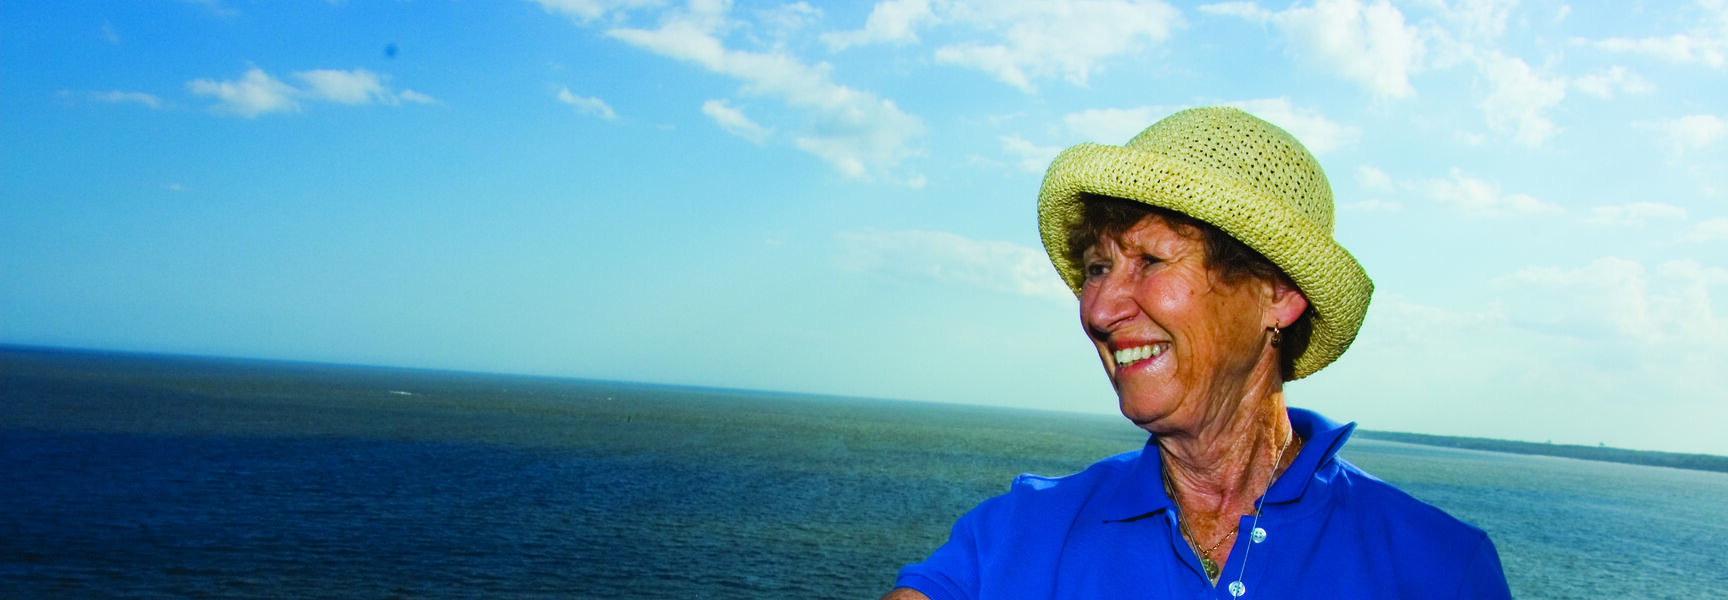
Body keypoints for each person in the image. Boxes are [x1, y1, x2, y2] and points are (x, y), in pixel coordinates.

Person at [883, 107, 1511, 599]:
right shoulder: (1016, 538)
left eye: (1151, 260)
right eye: (1099, 267)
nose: (1099, 311)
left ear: (1276, 294)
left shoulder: (1437, 568)